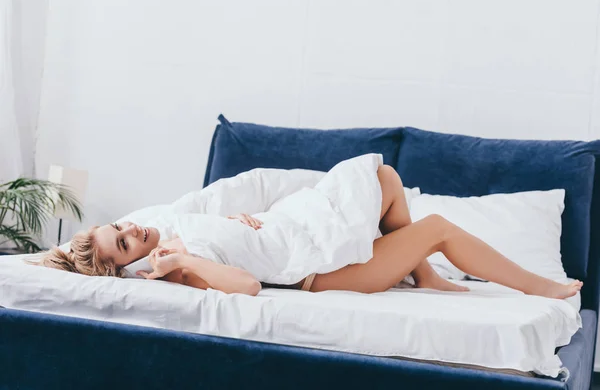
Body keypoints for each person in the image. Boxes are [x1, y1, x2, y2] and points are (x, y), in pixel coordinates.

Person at [37, 165, 583, 299]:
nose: (132, 227)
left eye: (118, 226)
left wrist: (232, 223)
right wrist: (182, 262)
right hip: (319, 274)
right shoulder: (175, 272)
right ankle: (541, 287)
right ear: (128, 266)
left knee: (384, 177)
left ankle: (424, 278)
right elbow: (248, 287)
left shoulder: (172, 225)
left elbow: (227, 237)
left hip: (293, 231)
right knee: (436, 226)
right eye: (125, 242)